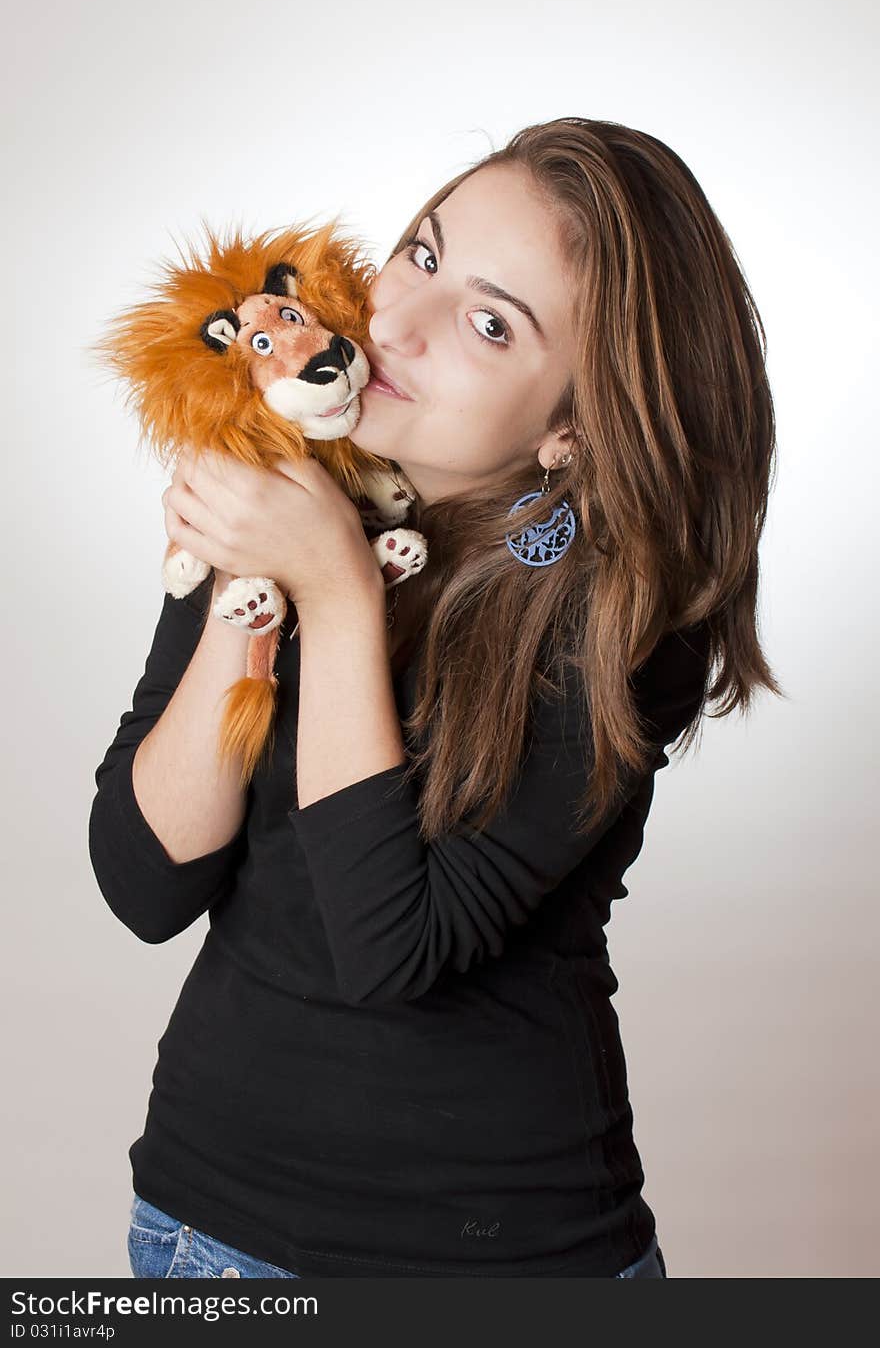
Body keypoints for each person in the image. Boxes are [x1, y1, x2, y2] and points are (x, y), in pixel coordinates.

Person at [89, 116, 779, 1279]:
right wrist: (249, 585)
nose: (395, 322)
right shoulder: (297, 494)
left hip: (502, 1256)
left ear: (574, 426)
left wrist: (340, 595)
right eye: (419, 252)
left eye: (491, 320)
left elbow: (392, 946)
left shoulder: (622, 622)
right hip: (205, 1233)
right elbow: (147, 882)